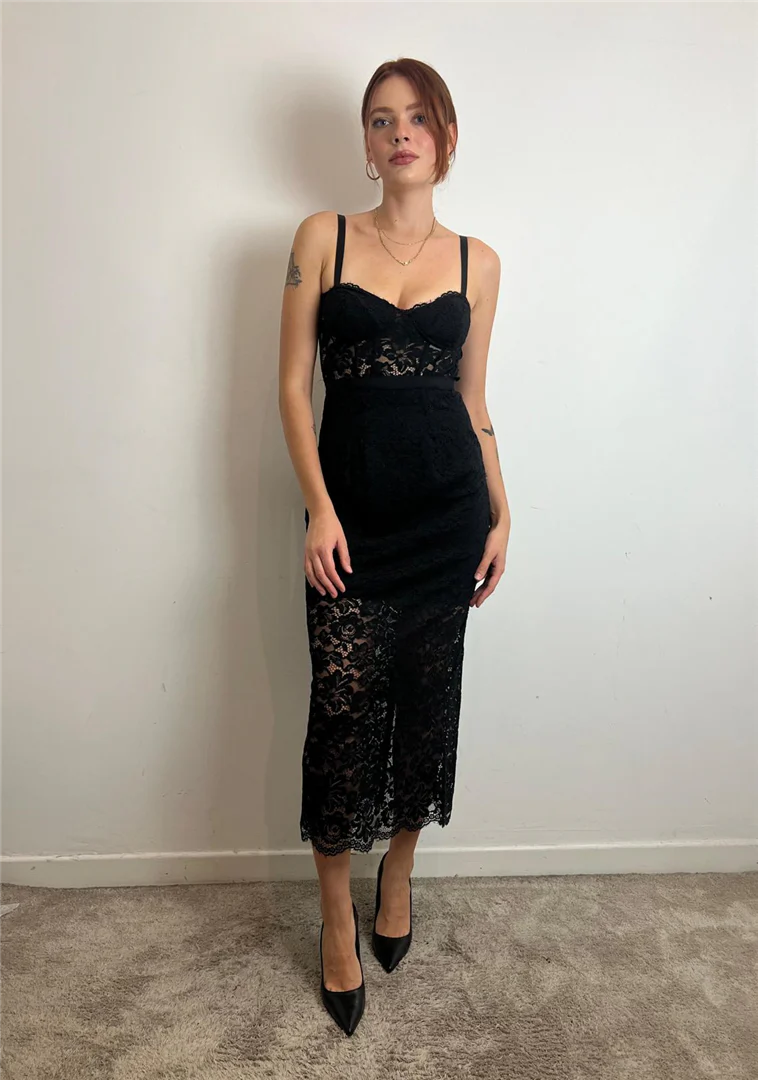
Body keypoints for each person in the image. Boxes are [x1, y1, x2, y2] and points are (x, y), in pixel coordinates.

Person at [278, 57, 510, 1035]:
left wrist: (501, 511)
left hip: (447, 517)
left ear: (444, 138)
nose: (399, 131)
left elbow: (472, 400)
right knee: (340, 717)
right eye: (381, 119)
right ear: (367, 144)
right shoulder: (321, 238)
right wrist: (319, 509)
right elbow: (293, 389)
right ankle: (336, 915)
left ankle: (399, 872)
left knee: (425, 709)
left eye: (417, 117)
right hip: (350, 522)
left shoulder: (477, 262)